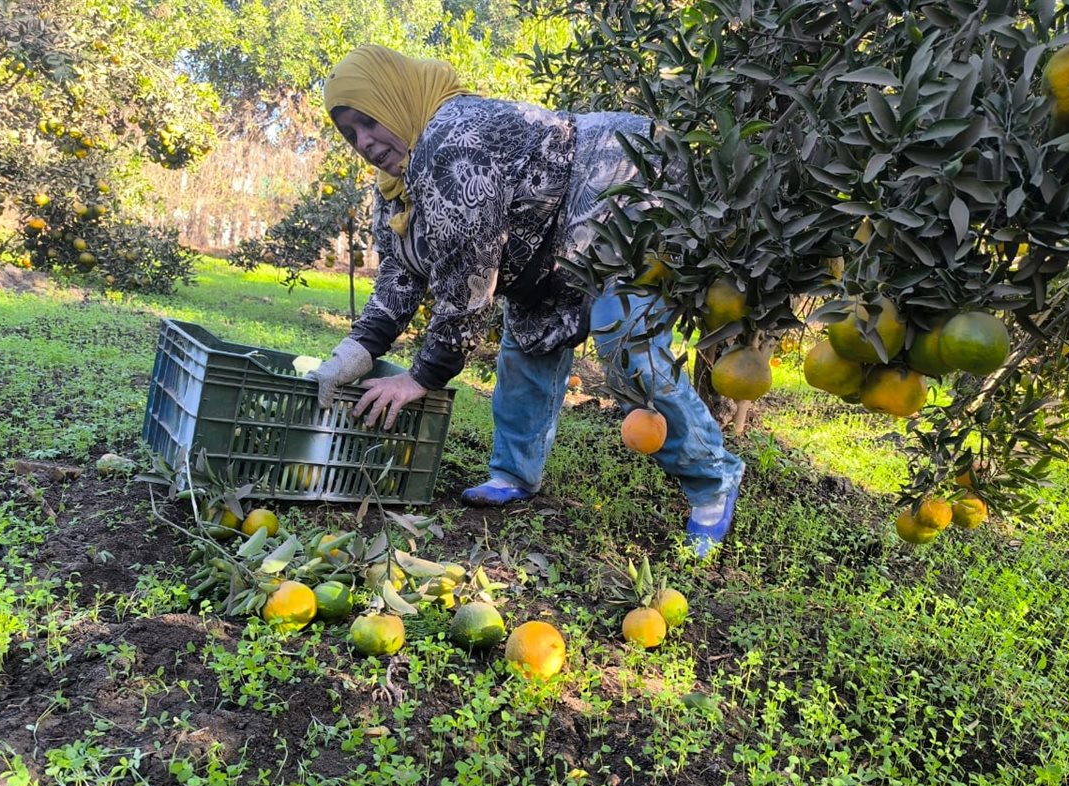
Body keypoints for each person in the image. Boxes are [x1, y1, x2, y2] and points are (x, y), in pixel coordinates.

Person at [310, 45, 744, 558]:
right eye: (350, 133)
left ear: (395, 97)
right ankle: (514, 474)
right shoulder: (398, 187)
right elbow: (400, 273)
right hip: (549, 245)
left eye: (369, 121)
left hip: (630, 199)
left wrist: (424, 375)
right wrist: (351, 354)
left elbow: (467, 278)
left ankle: (713, 482)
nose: (364, 142)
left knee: (626, 337)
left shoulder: (453, 140)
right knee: (527, 346)